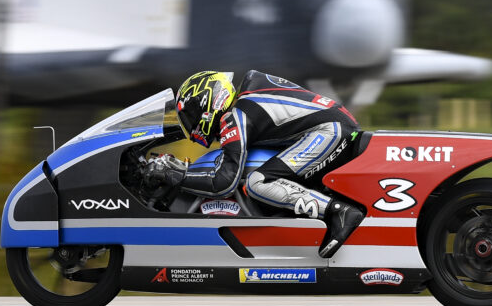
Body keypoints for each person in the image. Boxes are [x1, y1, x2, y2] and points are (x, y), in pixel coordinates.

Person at [142, 70, 365, 258]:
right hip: (331, 125)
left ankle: (339, 212)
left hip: (329, 130)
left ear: (208, 101)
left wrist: (177, 176)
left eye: (191, 114)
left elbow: (224, 182)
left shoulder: (235, 115)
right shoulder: (248, 99)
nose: (191, 123)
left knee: (258, 182)